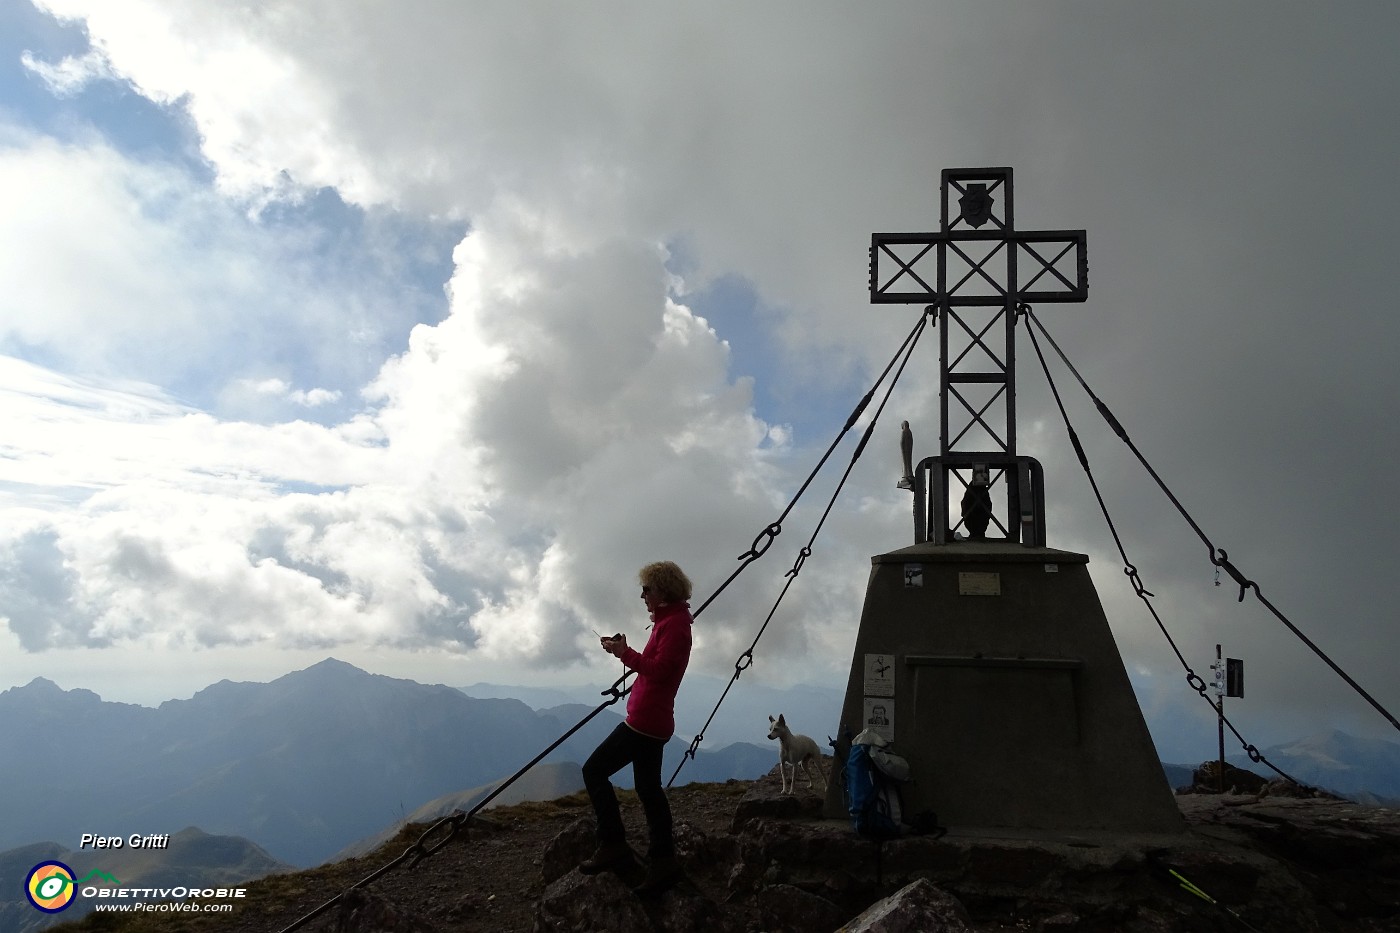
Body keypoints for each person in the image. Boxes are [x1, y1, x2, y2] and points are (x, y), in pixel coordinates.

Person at [579, 561, 694, 895]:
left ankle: (613, 843)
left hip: (645, 722)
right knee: (648, 789)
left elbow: (658, 671)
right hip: (653, 720)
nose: (642, 595)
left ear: (663, 591)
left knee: (594, 770)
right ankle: (663, 861)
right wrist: (625, 650)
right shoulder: (669, 622)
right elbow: (656, 667)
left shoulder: (674, 626)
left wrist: (622, 652)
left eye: (647, 589)